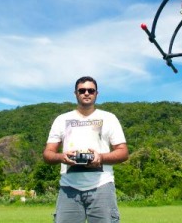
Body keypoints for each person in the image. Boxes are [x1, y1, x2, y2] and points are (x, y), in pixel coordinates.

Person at [43, 76, 129, 223]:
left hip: (102, 186)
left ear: (97, 93)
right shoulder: (61, 119)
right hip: (68, 187)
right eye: (82, 90)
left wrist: (100, 158)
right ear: (75, 93)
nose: (87, 93)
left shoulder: (109, 118)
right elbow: (47, 154)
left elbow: (123, 152)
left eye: (91, 90)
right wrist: (62, 157)